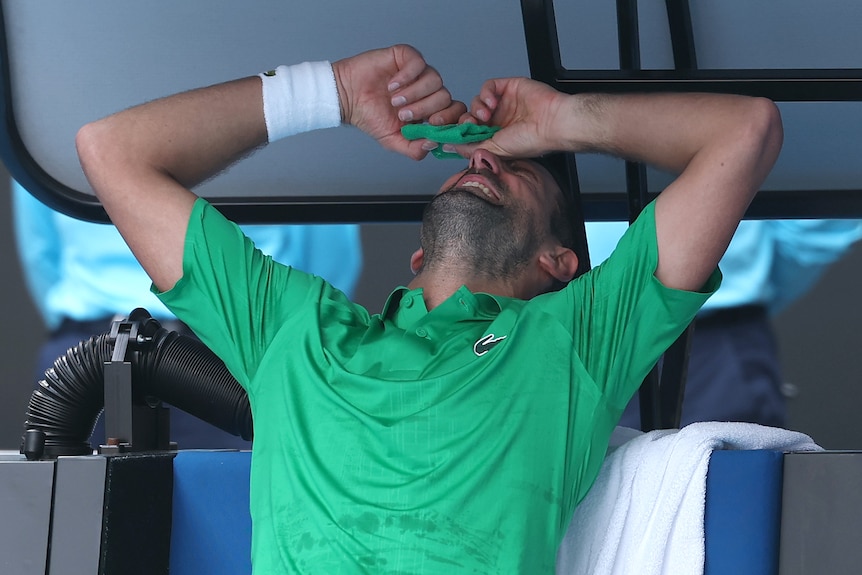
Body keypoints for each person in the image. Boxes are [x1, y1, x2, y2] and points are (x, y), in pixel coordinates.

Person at [75, 43, 782, 573]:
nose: (483, 159)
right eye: (477, 158)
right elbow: (110, 151)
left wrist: (563, 121)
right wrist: (334, 93)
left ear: (559, 264)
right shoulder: (295, 329)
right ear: (416, 261)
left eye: (517, 167)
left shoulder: (575, 338)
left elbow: (744, 134)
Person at [12, 179, 362, 448]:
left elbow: (42, 252)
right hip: (234, 347)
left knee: (73, 526)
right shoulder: (269, 94)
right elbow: (325, 260)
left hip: (101, 345)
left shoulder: (59, 97)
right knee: (233, 523)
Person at [586, 218, 862, 428]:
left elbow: (818, 220)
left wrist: (748, 288)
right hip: (707, 334)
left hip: (704, 346)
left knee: (726, 493)